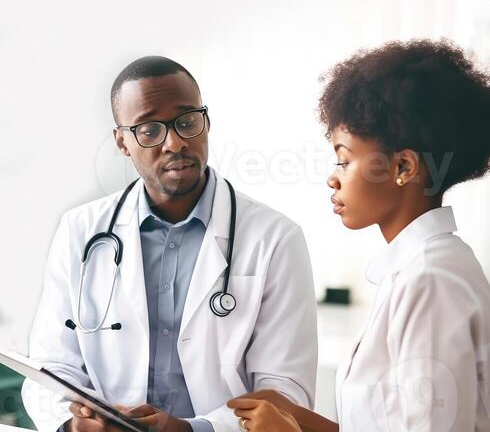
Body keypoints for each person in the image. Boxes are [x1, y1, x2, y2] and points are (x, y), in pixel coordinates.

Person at [22, 56, 318, 432]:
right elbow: (51, 367)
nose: (175, 142)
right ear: (122, 142)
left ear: (206, 122)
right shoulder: (79, 230)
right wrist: (72, 425)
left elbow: (286, 391)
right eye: (149, 129)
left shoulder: (275, 238)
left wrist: (192, 429)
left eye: (187, 121)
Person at [228, 40, 490, 432]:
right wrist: (301, 419)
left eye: (345, 159)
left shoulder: (431, 281)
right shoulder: (416, 269)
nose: (333, 177)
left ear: (403, 166)